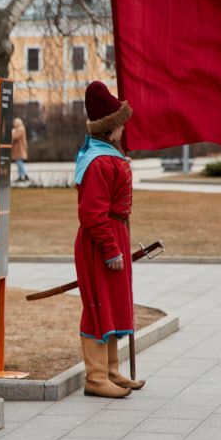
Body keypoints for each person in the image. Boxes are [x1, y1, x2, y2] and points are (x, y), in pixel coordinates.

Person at [74, 81, 144, 399]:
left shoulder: (110, 156)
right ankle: (96, 376)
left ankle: (112, 371)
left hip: (115, 235)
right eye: (121, 124)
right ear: (111, 128)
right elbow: (91, 214)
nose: (124, 129)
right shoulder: (100, 162)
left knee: (114, 303)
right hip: (99, 241)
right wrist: (111, 247)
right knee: (98, 304)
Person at [12, 116, 30, 183]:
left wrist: (12, 132)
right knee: (18, 162)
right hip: (18, 148)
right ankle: (21, 176)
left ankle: (25, 175)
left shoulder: (20, 129)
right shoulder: (18, 129)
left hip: (20, 148)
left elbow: (16, 137)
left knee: (19, 162)